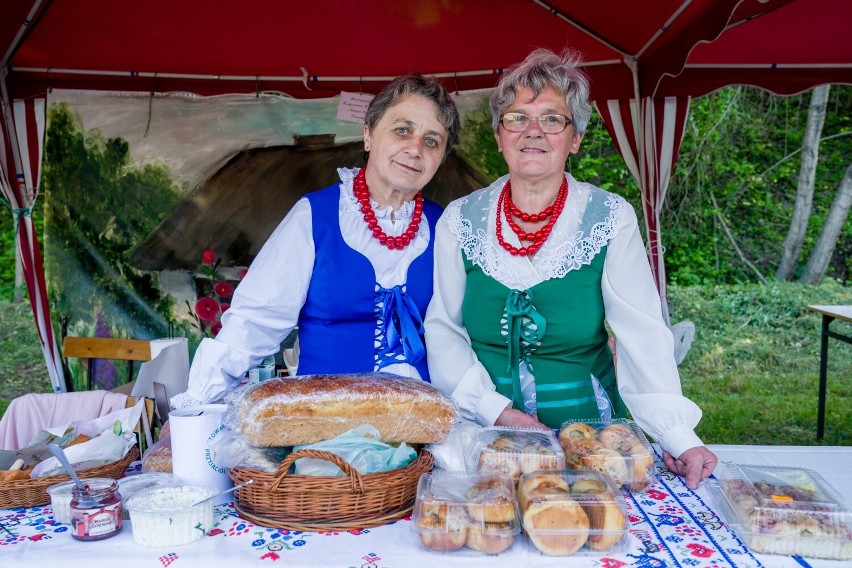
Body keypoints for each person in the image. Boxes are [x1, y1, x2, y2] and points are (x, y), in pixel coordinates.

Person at [423, 49, 716, 489]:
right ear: (499, 136)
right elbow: (444, 329)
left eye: (552, 119)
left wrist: (676, 434)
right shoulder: (460, 221)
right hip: (485, 437)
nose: (533, 132)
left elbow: (642, 334)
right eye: (517, 118)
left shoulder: (609, 218)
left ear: (575, 137)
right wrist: (497, 412)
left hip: (591, 440)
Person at [171, 72, 460, 410]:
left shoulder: (447, 227)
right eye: (402, 130)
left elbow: (463, 337)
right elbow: (255, 320)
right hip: (324, 422)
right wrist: (196, 403)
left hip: (422, 422)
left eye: (432, 140)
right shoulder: (315, 216)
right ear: (368, 134)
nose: (414, 149)